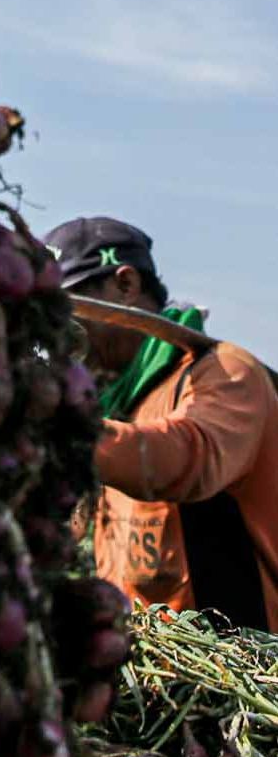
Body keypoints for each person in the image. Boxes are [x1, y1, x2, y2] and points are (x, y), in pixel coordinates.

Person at [47, 215, 278, 631]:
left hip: (237, 675)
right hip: (149, 678)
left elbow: (191, 458)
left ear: (125, 284)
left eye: (71, 311)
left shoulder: (224, 372)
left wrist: (63, 426)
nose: (62, 338)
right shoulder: (111, 403)